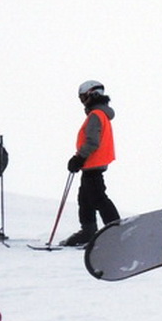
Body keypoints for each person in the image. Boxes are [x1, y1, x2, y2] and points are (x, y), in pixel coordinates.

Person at [59, 80, 122, 247]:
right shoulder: (100, 114)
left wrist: (79, 158)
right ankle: (88, 231)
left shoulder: (96, 115)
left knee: (98, 198)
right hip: (93, 164)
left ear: (92, 95)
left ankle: (116, 231)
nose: (82, 102)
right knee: (85, 198)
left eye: (83, 97)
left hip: (93, 163)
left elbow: (92, 142)